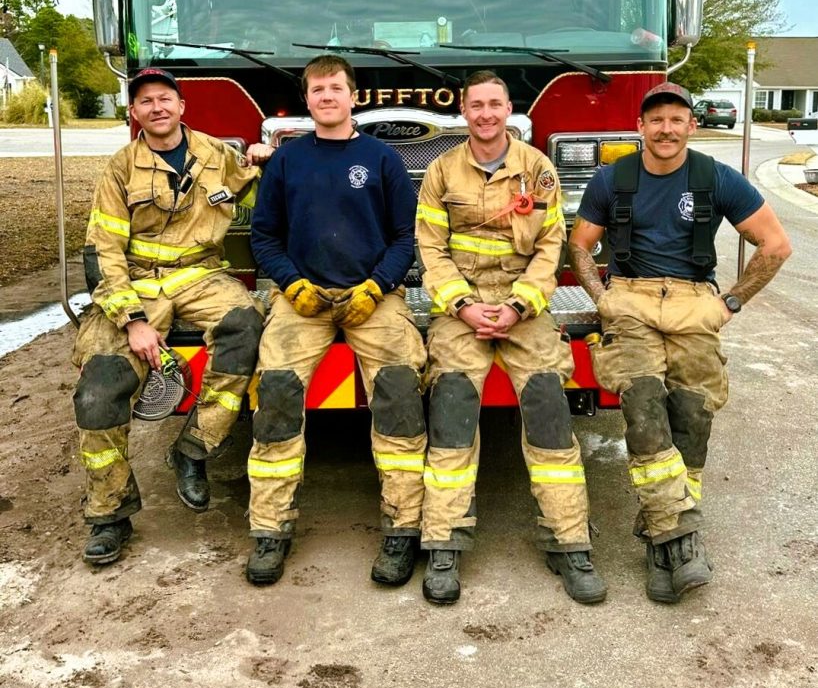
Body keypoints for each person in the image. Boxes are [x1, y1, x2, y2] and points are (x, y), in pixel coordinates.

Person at [568, 81, 791, 602]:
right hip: (631, 297)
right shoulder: (612, 179)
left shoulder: (717, 179)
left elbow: (775, 246)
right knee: (643, 408)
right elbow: (579, 246)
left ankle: (663, 534)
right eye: (656, 120)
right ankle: (677, 542)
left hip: (695, 299)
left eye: (676, 119)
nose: (665, 129)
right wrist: (604, 299)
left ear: (691, 126)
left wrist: (729, 302)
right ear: (641, 127)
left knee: (693, 415)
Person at [415, 70, 606, 606]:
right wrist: (465, 305)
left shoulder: (537, 169)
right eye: (476, 105)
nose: (486, 114)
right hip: (463, 308)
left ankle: (569, 542)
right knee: (451, 408)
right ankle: (445, 542)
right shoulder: (442, 170)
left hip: (524, 310)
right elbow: (430, 249)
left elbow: (551, 246)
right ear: (463, 111)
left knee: (549, 408)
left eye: (494, 104)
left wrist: (520, 305)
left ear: (508, 109)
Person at [72, 67, 272, 566]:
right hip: (136, 283)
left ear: (181, 106)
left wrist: (267, 164)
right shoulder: (120, 169)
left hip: (200, 276)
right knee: (98, 390)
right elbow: (105, 253)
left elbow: (261, 197)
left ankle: (193, 450)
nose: (157, 108)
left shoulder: (216, 155)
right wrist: (132, 321)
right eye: (145, 102)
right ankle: (109, 514)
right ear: (134, 113)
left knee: (245, 327)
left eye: (165, 99)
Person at [246, 54, 427, 587]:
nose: (327, 97)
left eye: (336, 88)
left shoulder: (382, 159)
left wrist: (377, 287)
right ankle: (269, 531)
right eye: (317, 89)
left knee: (397, 393)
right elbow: (264, 237)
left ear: (354, 96)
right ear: (308, 100)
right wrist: (290, 283)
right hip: (302, 300)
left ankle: (401, 529)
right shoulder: (286, 162)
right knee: (275, 393)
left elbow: (404, 237)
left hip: (373, 299)